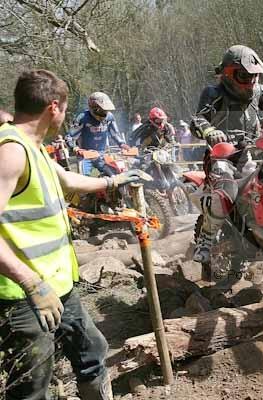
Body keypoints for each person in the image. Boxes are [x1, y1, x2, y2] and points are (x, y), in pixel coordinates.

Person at [0, 69, 144, 400]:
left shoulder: (32, 146)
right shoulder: (11, 151)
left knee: (93, 350)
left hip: (58, 286)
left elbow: (67, 180)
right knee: (32, 387)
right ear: (53, 107)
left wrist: (113, 181)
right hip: (25, 294)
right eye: (64, 110)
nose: (65, 118)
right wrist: (31, 283)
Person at [189, 45, 263, 272]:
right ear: (229, 73)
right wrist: (210, 131)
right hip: (221, 155)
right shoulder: (213, 93)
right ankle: (206, 238)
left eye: (254, 75)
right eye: (244, 75)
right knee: (227, 191)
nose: (250, 81)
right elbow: (198, 120)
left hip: (250, 152)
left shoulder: (259, 91)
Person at [65, 92, 129, 176]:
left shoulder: (109, 117)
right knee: (84, 179)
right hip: (85, 155)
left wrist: (122, 144)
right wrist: (76, 149)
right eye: (101, 111)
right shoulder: (83, 118)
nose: (104, 113)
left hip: (101, 154)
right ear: (93, 107)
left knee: (114, 174)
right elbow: (69, 137)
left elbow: (115, 134)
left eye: (105, 111)